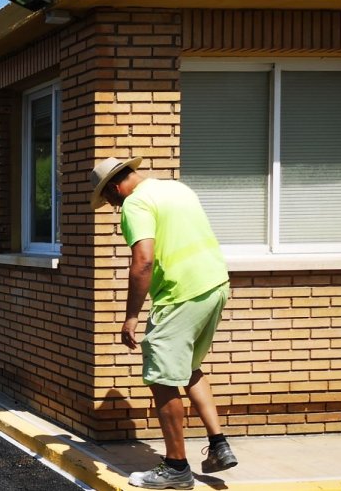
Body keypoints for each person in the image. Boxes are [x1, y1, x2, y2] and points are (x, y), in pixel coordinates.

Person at [91, 156, 237, 490]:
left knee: (161, 378)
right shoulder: (176, 189)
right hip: (214, 284)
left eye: (110, 201)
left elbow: (143, 261)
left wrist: (131, 316)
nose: (114, 207)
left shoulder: (135, 203)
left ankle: (176, 468)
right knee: (188, 367)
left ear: (114, 188)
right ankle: (219, 445)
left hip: (180, 294)